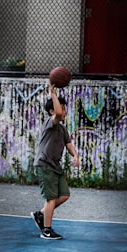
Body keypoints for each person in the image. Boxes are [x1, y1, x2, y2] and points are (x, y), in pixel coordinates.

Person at [31, 84, 79, 240]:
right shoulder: (50, 123)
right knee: (51, 199)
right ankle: (47, 229)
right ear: (52, 111)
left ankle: (41, 214)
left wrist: (75, 156)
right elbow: (58, 112)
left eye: (65, 108)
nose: (64, 111)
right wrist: (53, 93)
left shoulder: (62, 129)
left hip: (55, 167)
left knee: (64, 195)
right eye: (61, 108)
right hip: (45, 165)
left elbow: (69, 144)